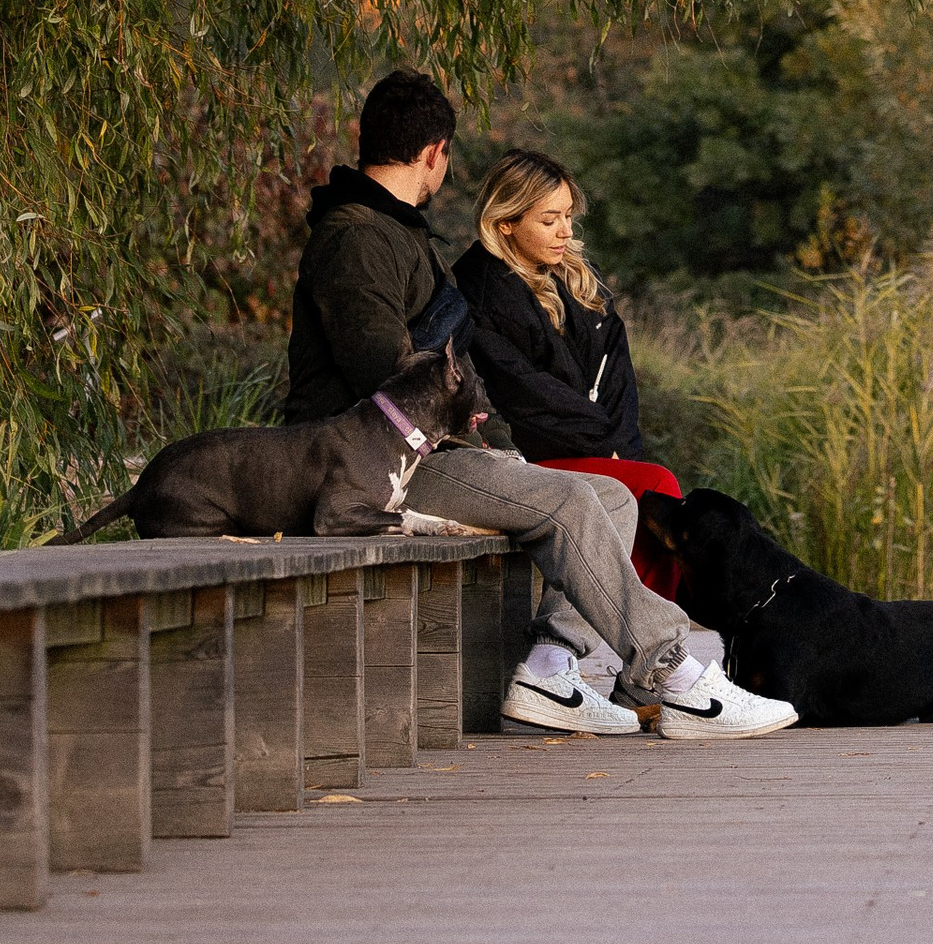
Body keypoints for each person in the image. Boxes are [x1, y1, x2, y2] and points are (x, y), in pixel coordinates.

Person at [285, 68, 792, 742]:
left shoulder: (396, 232)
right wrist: (472, 413)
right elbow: (385, 370)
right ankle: (679, 679)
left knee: (610, 498)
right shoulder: (357, 237)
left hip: (414, 454)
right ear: (437, 152)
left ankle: (551, 672)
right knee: (574, 501)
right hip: (367, 468)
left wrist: (479, 424)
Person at [455, 147, 684, 594]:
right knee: (656, 486)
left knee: (651, 488)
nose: (566, 231)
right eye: (549, 220)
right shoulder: (480, 290)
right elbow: (524, 395)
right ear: (506, 222)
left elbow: (617, 374)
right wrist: (603, 444)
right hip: (531, 450)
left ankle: (655, 631)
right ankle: (655, 636)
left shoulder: (578, 276)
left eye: (568, 216)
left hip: (594, 442)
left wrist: (621, 448)